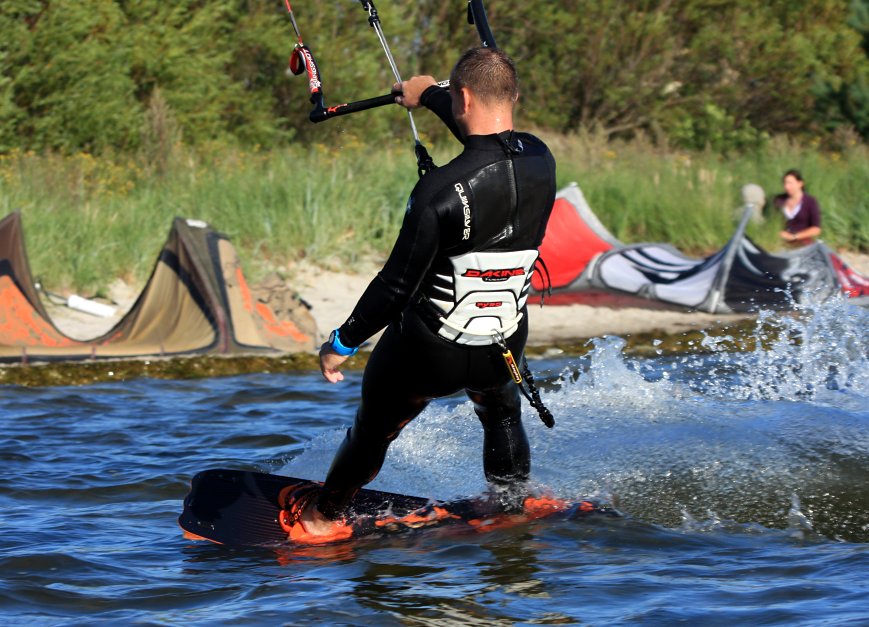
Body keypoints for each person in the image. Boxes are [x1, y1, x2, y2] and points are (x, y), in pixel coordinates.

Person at [290, 47, 557, 541]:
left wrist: (341, 344)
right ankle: (512, 506)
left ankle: (323, 517)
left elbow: (394, 286)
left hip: (430, 353)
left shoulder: (438, 191)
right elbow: (497, 153)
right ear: (514, 97)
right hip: (503, 343)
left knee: (374, 429)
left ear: (465, 97)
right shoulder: (541, 158)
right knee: (500, 412)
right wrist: (431, 93)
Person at [774, 169, 822, 246]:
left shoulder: (810, 202)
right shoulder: (779, 200)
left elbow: (816, 229)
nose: (787, 186)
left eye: (790, 183)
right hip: (780, 241)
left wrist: (794, 237)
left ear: (800, 184)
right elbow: (773, 221)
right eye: (785, 183)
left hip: (802, 242)